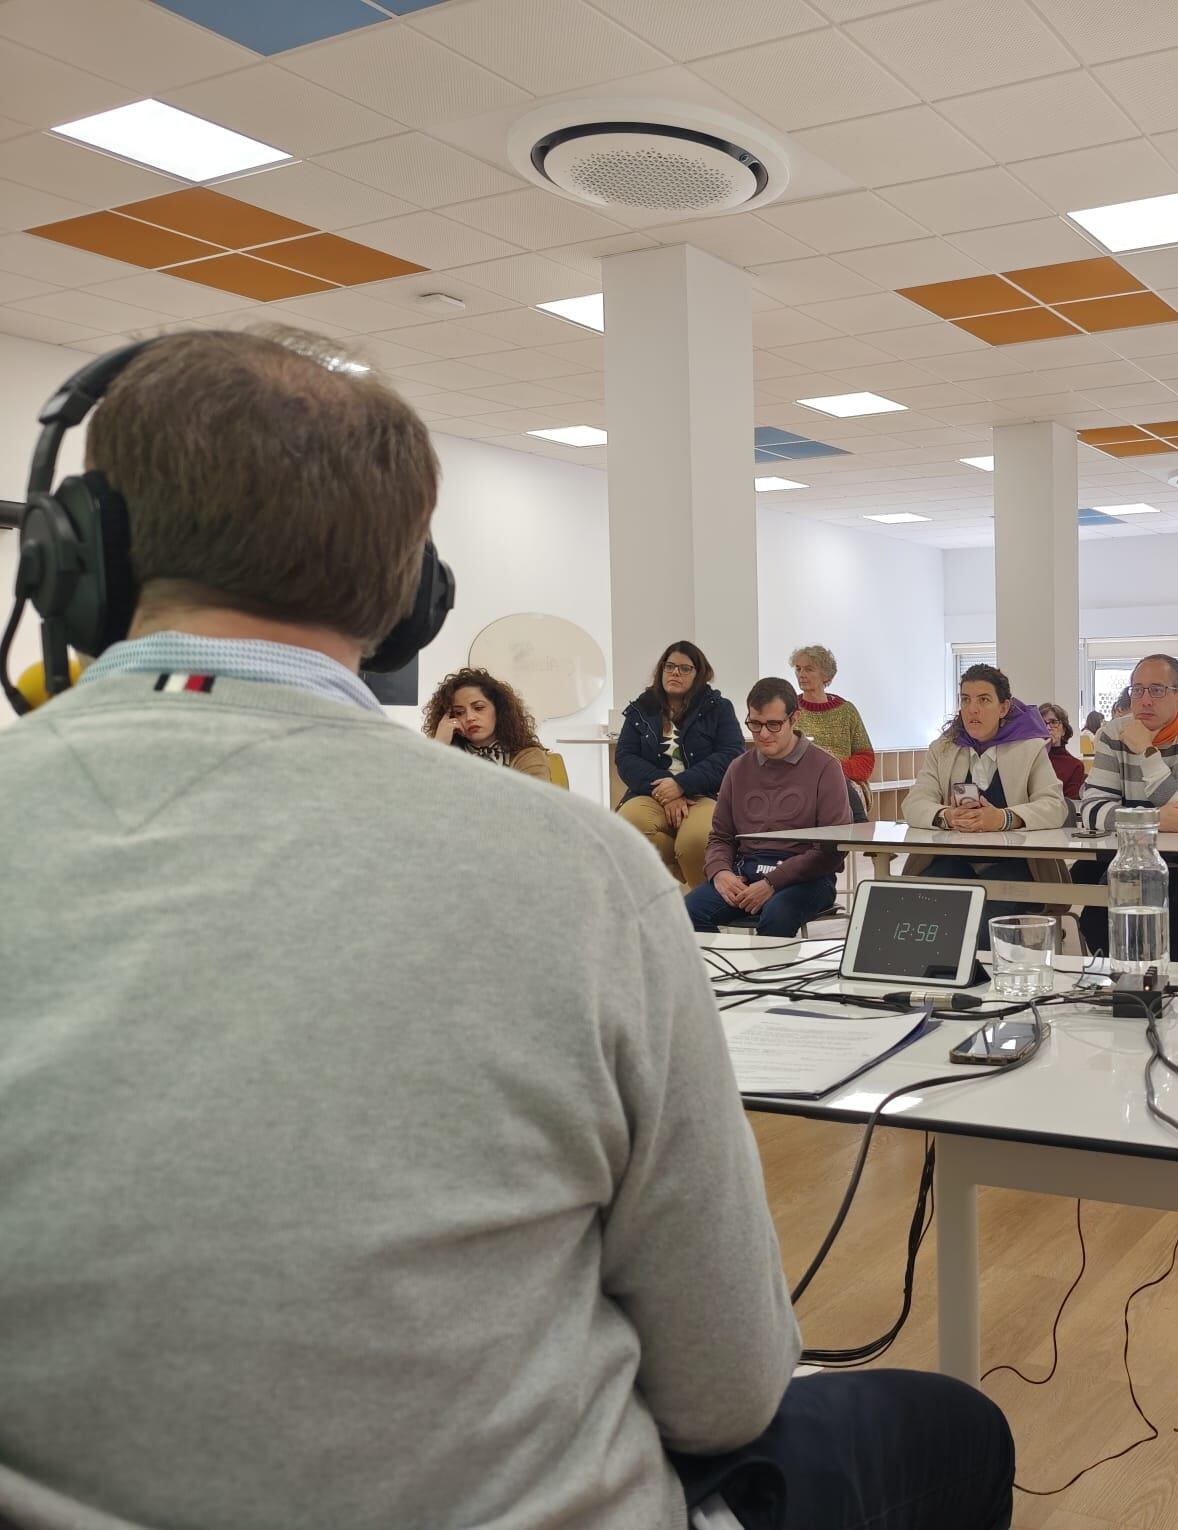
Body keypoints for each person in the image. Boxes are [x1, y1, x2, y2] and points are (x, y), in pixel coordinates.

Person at [0, 327, 1013, 1530]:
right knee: (952, 1431)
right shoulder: (577, 870)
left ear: (77, 557)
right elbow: (729, 1390)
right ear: (411, 598)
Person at [1076, 653, 1178, 962]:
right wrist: (1154, 819)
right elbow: (1092, 811)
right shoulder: (1113, 733)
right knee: (1097, 916)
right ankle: (1127, 996)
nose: (1144, 700)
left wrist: (1146, 751)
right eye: (1137, 690)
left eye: (1156, 690)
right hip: (1133, 863)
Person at [903, 665, 1070, 925]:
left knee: (984, 916)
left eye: (984, 700)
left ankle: (974, 966)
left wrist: (1003, 818)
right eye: (965, 700)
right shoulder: (943, 749)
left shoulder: (1030, 748)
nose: (972, 709)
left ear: (1003, 708)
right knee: (933, 905)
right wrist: (946, 815)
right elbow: (914, 803)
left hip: (1017, 862)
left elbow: (1055, 806)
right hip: (953, 859)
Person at [687, 677, 853, 938]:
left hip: (807, 879)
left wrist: (773, 882)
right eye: (755, 724)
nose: (763, 734)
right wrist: (720, 872)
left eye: (774, 724)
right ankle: (722, 976)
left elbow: (831, 849)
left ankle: (770, 977)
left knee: (777, 915)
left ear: (794, 718)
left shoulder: (825, 767)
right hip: (746, 871)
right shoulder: (738, 768)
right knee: (688, 912)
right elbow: (720, 837)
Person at [615, 640, 743, 887]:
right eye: (670, 666)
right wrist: (668, 791)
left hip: (703, 795)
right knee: (625, 831)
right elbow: (625, 757)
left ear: (699, 674)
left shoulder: (719, 708)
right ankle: (660, 901)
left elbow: (731, 755)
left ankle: (700, 913)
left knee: (695, 842)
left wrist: (682, 784)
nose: (675, 672)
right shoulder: (641, 708)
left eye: (685, 668)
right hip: (651, 794)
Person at [791, 643, 876, 822]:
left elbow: (866, 759)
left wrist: (835, 766)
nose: (801, 675)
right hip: (799, 775)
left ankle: (861, 835)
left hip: (840, 776)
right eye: (798, 669)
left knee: (833, 782)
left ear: (825, 675)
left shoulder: (846, 711)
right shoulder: (790, 709)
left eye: (808, 669)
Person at [422, 666, 552, 781]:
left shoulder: (527, 755)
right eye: (459, 712)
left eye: (478, 708)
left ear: (499, 710)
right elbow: (418, 795)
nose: (469, 717)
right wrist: (438, 746)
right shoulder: (447, 757)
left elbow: (533, 804)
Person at [1038, 701, 1087, 800]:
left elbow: (1069, 805)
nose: (1048, 727)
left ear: (1064, 730)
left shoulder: (1075, 766)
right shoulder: (1031, 759)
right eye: (1042, 723)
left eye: (1053, 722)